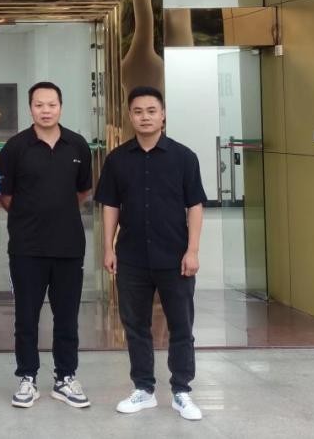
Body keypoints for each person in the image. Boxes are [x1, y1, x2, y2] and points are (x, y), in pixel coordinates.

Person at [95, 85, 207, 422]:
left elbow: (195, 206)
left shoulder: (184, 157)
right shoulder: (117, 159)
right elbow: (110, 205)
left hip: (175, 257)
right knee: (135, 326)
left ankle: (181, 391)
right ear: (130, 116)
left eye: (151, 111)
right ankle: (143, 389)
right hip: (131, 257)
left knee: (181, 326)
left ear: (163, 115)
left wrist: (192, 250)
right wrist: (108, 247)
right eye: (138, 112)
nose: (145, 117)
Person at [0, 82, 93, 409]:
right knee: (26, 317)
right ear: (31, 108)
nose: (46, 110)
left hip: (69, 247)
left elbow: (82, 191)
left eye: (51, 104)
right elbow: (6, 196)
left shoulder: (77, 145)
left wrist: (58, 211)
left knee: (67, 317)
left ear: (60, 107)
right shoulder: (15, 147)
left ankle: (65, 377)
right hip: (27, 247)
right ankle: (27, 377)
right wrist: (31, 215)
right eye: (39, 105)